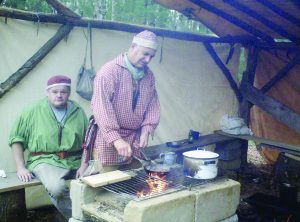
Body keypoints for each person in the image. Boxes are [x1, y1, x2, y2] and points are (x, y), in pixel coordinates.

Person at [77, 30, 160, 176]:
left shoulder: (149, 76)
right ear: (133, 46)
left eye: (151, 56)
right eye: (145, 54)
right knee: (106, 183)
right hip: (108, 139)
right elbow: (101, 107)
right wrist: (116, 139)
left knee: (132, 183)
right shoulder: (109, 72)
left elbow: (153, 105)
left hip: (134, 140)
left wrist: (146, 130)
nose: (148, 60)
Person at [8, 75, 88, 220]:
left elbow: (87, 143)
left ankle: (99, 213)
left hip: (75, 160)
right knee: (56, 188)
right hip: (44, 160)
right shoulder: (33, 110)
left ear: (69, 93)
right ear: (47, 93)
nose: (59, 95)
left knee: (99, 177)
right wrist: (20, 167)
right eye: (54, 92)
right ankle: (78, 218)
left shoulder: (78, 111)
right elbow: (16, 139)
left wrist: (84, 165)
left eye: (63, 92)